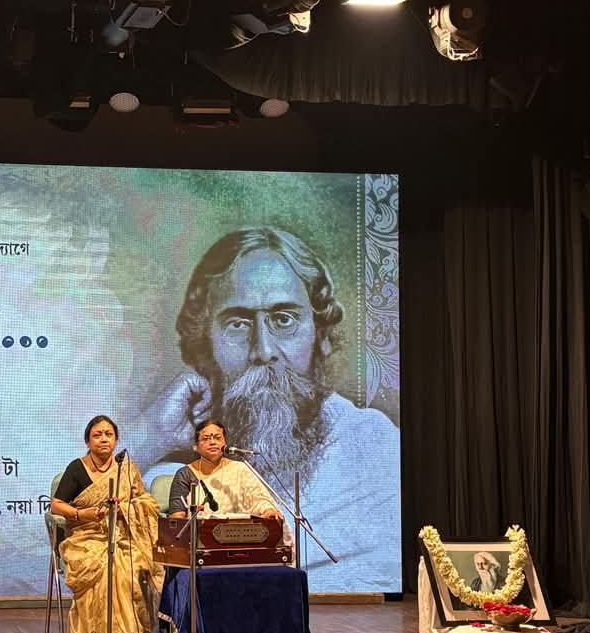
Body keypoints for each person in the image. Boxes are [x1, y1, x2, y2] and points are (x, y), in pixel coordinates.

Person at [132, 227, 401, 591]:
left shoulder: (370, 447)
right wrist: (151, 434)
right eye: (237, 324)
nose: (263, 350)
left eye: (284, 319)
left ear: (320, 334)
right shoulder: (172, 474)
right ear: (205, 344)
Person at [50, 415, 164, 633]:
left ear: (116, 440)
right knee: (108, 568)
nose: (103, 439)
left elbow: (145, 501)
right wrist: (82, 514)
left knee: (134, 567)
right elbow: (56, 505)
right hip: (86, 536)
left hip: (124, 535)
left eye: (108, 434)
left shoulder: (126, 469)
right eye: (97, 435)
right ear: (88, 441)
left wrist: (126, 509)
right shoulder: (77, 468)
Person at [167, 421, 290, 550]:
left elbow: (258, 497)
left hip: (243, 539)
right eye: (206, 438)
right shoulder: (185, 474)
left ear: (224, 442)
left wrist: (268, 510)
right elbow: (177, 519)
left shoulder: (240, 469)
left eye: (217, 437)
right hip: (201, 544)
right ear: (196, 446)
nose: (212, 442)